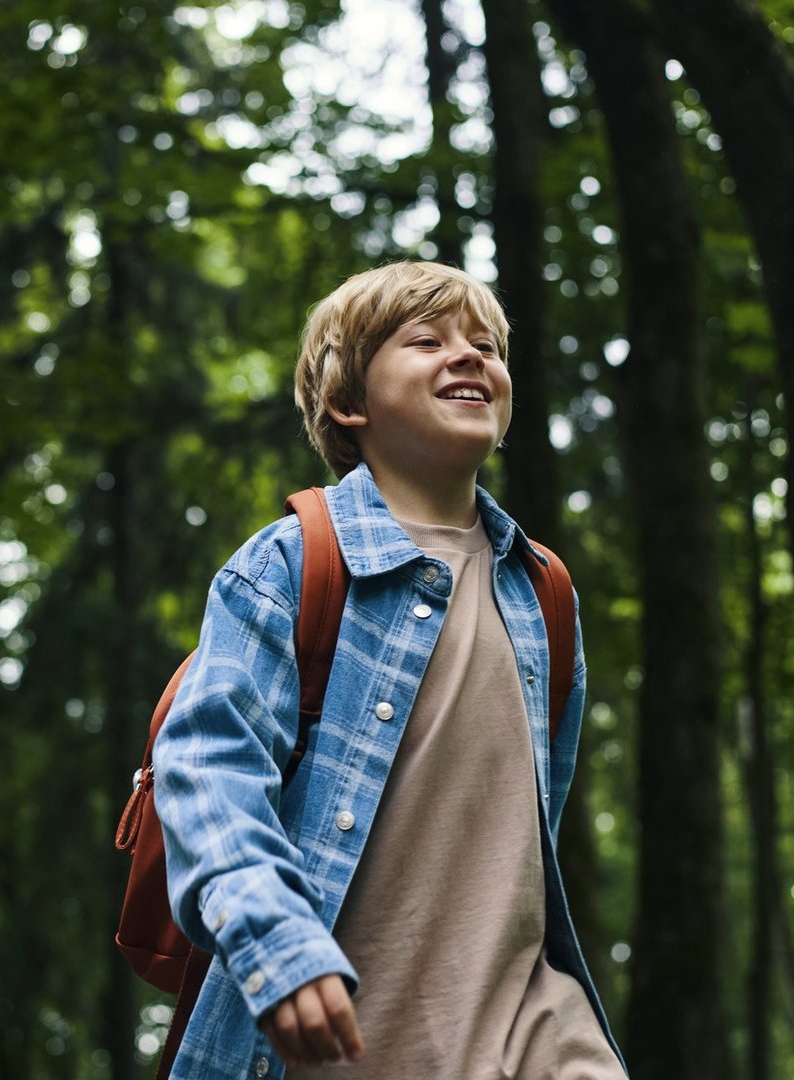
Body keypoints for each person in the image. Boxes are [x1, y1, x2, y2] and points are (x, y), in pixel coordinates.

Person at [153, 262, 625, 1078]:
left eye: (487, 345)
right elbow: (207, 772)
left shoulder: (543, 592)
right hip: (335, 1042)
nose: (470, 357)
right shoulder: (294, 564)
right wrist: (275, 943)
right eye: (428, 341)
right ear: (350, 402)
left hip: (533, 1036)